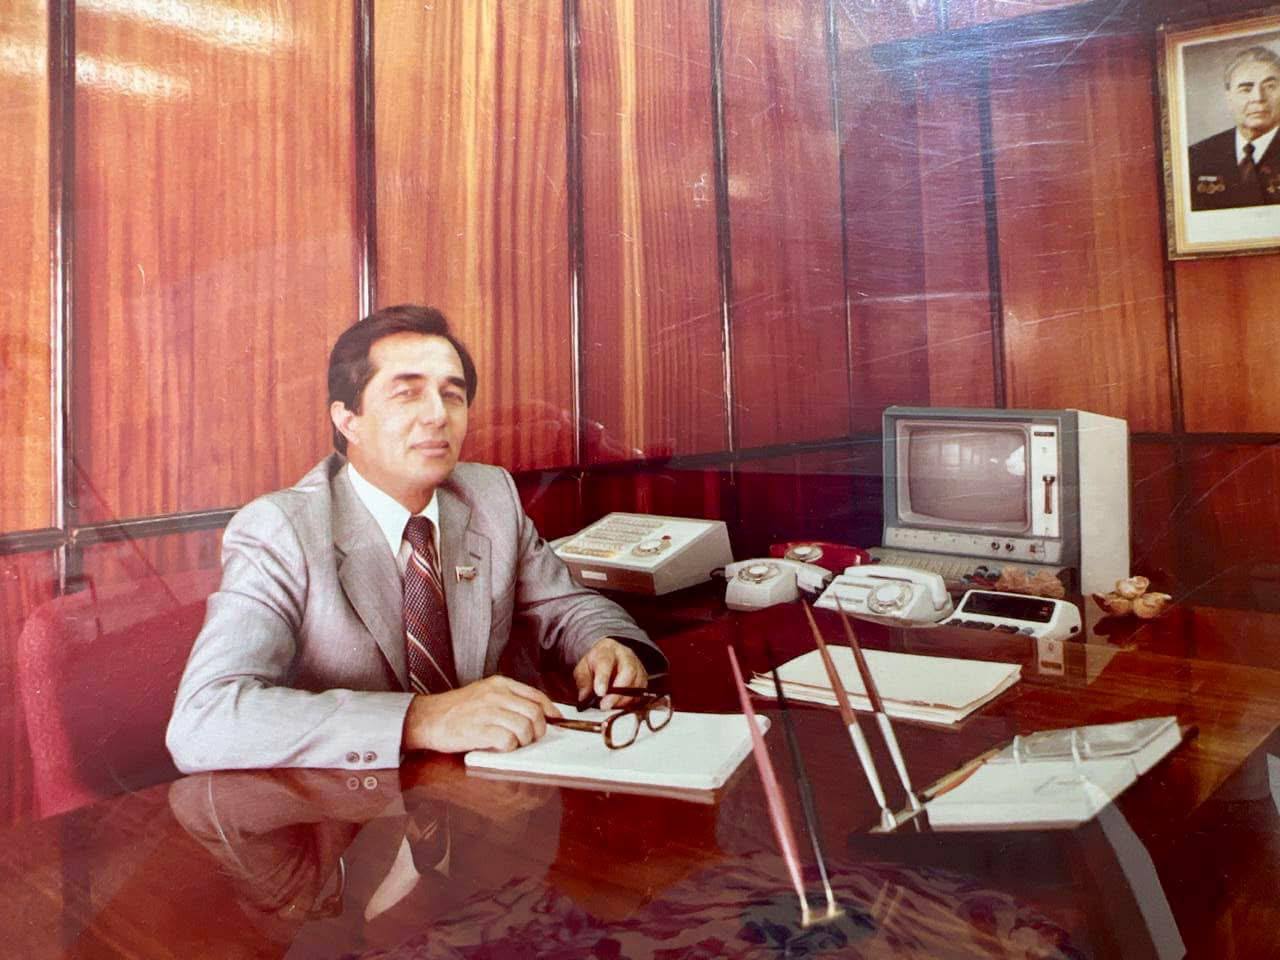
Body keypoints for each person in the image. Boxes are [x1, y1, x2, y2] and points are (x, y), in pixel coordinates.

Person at [167, 305, 663, 773]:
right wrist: (420, 719)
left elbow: (567, 605)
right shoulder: (283, 529)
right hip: (349, 827)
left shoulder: (490, 496)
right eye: (406, 393)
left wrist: (605, 644)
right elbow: (204, 718)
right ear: (348, 421)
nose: (437, 416)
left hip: (483, 807)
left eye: (453, 393)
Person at [1188, 45, 1280, 211]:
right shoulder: (1196, 157)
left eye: (1270, 86)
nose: (1258, 98)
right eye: (1245, 89)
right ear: (1229, 98)